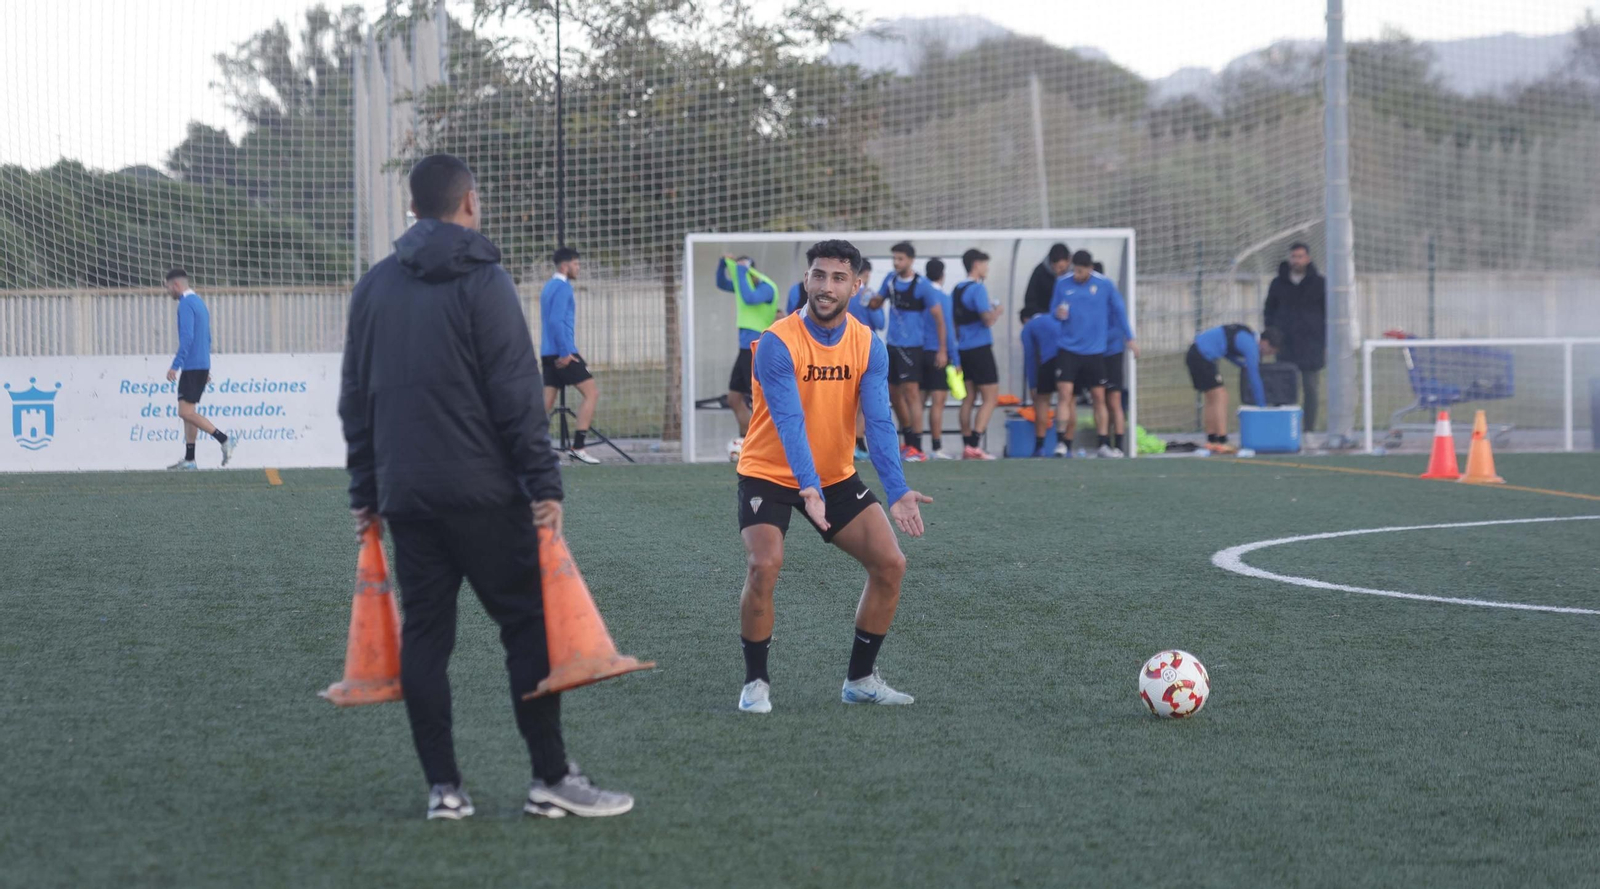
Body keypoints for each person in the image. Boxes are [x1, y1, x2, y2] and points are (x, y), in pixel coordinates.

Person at [339, 153, 632, 821]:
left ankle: (445, 789)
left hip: (407, 497)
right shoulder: (484, 279)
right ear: (468, 202)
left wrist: (365, 492)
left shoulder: (374, 287)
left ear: (414, 207)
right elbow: (517, 397)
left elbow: (355, 402)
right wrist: (544, 480)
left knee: (427, 638)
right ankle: (550, 777)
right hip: (486, 495)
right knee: (527, 624)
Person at [734, 238, 934, 714]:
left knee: (891, 565)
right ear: (806, 280)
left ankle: (861, 680)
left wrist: (899, 489)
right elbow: (789, 423)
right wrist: (807, 487)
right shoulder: (777, 342)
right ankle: (755, 683)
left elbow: (880, 421)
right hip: (769, 473)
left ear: (857, 285)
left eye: (838, 278)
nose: (826, 287)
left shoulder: (868, 343)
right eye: (819, 276)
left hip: (834, 476)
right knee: (765, 565)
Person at [1050, 250, 1136, 458]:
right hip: (1068, 349)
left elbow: (1119, 311)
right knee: (1065, 394)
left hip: (1095, 351)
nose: (1078, 275)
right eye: (1075, 270)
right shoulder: (1063, 284)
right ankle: (1061, 443)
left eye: (1082, 271)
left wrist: (1130, 337)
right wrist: (1058, 314)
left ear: (1090, 268)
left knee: (1099, 397)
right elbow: (1053, 311)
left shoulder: (1104, 285)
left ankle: (1104, 444)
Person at [870, 241, 945, 462]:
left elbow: (939, 318)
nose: (896, 262)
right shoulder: (890, 281)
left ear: (911, 260)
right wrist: (867, 297)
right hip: (892, 346)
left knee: (912, 393)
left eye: (900, 258)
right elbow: (876, 303)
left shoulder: (922, 286)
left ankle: (917, 446)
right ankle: (909, 437)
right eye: (894, 258)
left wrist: (942, 349)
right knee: (893, 394)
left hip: (912, 347)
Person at [163, 268, 235, 471]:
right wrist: (205, 364)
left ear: (176, 285)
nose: (168, 292)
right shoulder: (199, 303)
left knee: (184, 412)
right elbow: (207, 337)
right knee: (189, 413)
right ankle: (190, 459)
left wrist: (175, 365)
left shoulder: (185, 305)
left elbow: (187, 338)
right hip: (200, 364)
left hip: (193, 366)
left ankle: (224, 439)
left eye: (168, 287)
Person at [540, 247, 601, 465]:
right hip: (562, 352)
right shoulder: (564, 288)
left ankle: (523, 447)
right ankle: (578, 446)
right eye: (576, 264)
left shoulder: (548, 287)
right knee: (592, 393)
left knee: (545, 403)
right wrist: (566, 353)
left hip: (548, 352)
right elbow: (556, 321)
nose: (578, 268)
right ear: (565, 266)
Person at [716, 255, 780, 461]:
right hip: (744, 350)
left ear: (752, 271)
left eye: (743, 270)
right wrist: (722, 264)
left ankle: (764, 445)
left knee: (758, 401)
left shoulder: (766, 287)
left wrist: (743, 271)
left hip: (758, 349)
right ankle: (748, 441)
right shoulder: (743, 284)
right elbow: (721, 283)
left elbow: (749, 298)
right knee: (734, 399)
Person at [1187, 323, 1281, 452]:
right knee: (1221, 395)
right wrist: (1262, 406)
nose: (1267, 354)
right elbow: (1254, 377)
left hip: (1196, 353)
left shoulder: (1247, 336)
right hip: (1202, 356)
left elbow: (1226, 351)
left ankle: (1211, 440)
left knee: (1212, 397)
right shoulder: (1251, 345)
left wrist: (1240, 364)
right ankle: (1222, 441)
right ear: (1264, 342)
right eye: (1269, 351)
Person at [1263, 242, 1326, 431]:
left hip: (1311, 345)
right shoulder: (1278, 283)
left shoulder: (1319, 283)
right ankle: (1282, 430)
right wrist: (1272, 336)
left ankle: (1308, 430)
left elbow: (1327, 312)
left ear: (1308, 258)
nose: (1296, 260)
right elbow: (1268, 311)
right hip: (1285, 345)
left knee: (1311, 389)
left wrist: (1323, 339)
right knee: (1283, 388)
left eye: (1300, 256)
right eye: (1293, 256)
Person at [953, 249, 1004, 459]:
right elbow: (987, 319)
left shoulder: (957, 289)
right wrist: (997, 310)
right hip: (980, 348)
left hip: (964, 348)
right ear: (976, 265)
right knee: (990, 397)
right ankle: (975, 444)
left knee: (969, 397)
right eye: (985, 264)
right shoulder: (977, 289)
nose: (987, 268)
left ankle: (967, 444)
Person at [919, 258, 961, 460]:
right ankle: (936, 448)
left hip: (919, 352)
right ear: (942, 275)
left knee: (918, 402)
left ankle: (915, 446)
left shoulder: (920, 294)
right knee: (938, 402)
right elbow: (949, 330)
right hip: (937, 353)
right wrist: (954, 357)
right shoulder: (942, 297)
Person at [846, 259, 886, 460]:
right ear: (867, 274)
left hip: (842, 348)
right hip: (865, 349)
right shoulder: (869, 295)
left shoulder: (843, 293)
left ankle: (849, 442)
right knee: (863, 399)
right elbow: (880, 322)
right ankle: (856, 441)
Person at [1095, 261, 1133, 455]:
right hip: (1094, 354)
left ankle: (1118, 445)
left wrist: (1131, 339)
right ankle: (1102, 444)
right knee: (1098, 398)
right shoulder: (1088, 300)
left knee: (1114, 400)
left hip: (1111, 354)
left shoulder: (1111, 297)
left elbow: (1120, 325)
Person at [1020, 311, 1062, 457]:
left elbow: (1030, 358)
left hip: (1049, 362)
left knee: (1042, 401)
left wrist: (1033, 385)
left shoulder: (1028, 327)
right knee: (1068, 400)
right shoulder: (1055, 318)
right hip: (1071, 359)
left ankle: (1040, 446)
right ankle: (1065, 445)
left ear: (1025, 319)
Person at [1020, 242, 1071, 324]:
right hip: (1046, 319)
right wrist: (1049, 315)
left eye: (1061, 268)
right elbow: (1030, 301)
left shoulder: (1076, 274)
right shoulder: (1040, 272)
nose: (1057, 271)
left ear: (1069, 261)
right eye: (1054, 267)